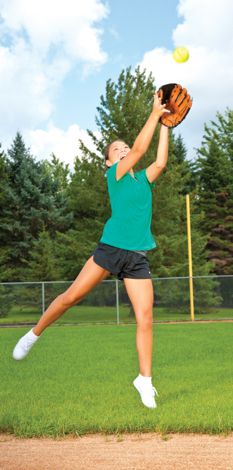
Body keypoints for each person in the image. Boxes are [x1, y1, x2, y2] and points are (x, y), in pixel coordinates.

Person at [12, 91, 169, 409]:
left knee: (145, 317)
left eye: (125, 147)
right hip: (111, 248)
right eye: (118, 150)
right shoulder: (117, 174)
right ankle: (34, 333)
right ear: (110, 162)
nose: (124, 150)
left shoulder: (143, 181)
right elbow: (140, 149)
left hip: (137, 255)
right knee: (72, 297)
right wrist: (153, 114)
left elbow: (160, 161)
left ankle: (144, 380)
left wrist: (167, 121)